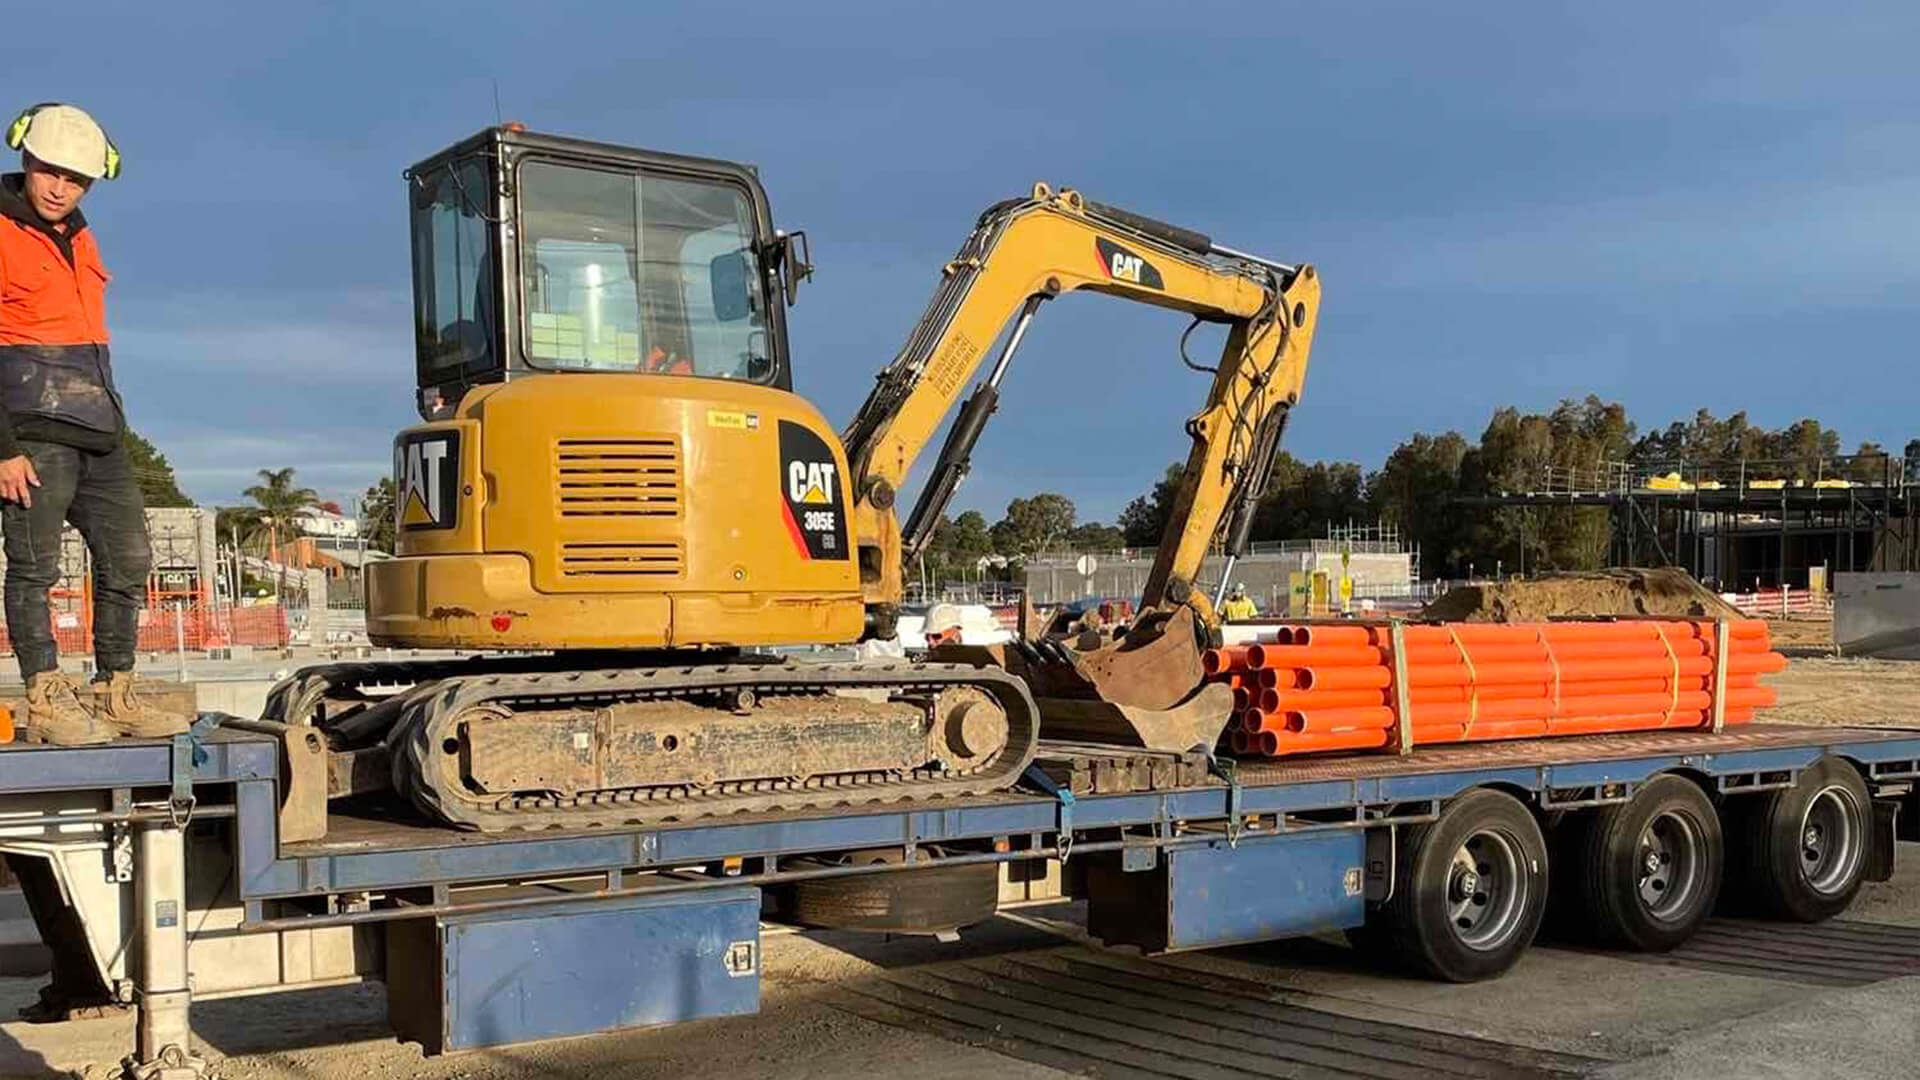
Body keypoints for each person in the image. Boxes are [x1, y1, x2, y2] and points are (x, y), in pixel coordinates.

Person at [0, 103, 185, 743]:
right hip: (31, 432)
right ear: (26, 162)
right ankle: (48, 699)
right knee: (34, 569)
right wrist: (2, 449)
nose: (60, 188)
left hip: (101, 432)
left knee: (129, 560)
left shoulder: (83, 237)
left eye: (75, 179)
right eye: (49, 172)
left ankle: (114, 692)